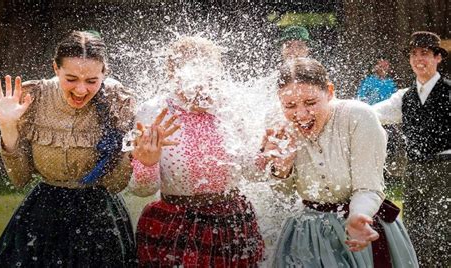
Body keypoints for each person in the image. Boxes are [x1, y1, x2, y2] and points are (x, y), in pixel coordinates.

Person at [0, 31, 176, 267]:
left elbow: (114, 185)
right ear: (56, 68)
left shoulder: (118, 102)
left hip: (100, 219)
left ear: (105, 72)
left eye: (92, 81)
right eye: (71, 79)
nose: (81, 90)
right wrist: (8, 127)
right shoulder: (33, 98)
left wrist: (135, 157)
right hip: (42, 215)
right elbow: (20, 178)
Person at [257, 58, 418, 267]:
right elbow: (284, 195)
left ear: (330, 91)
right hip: (306, 235)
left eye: (310, 102)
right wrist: (281, 168)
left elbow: (369, 187)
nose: (301, 114)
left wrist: (358, 217)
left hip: (363, 228)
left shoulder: (359, 116)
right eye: (289, 105)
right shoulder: (277, 123)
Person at [129, 36, 265, 267]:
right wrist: (147, 163)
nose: (205, 87)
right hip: (174, 223)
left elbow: (254, 174)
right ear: (174, 77)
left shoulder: (233, 107)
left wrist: (267, 156)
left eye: (211, 78)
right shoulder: (153, 112)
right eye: (196, 79)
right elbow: (142, 190)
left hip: (232, 222)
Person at [373, 31, 450, 267]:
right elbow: (371, 114)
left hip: (446, 170)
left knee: (443, 231)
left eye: (425, 54)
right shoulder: (403, 97)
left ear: (437, 58)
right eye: (414, 54)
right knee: (414, 230)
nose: (419, 59)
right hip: (414, 170)